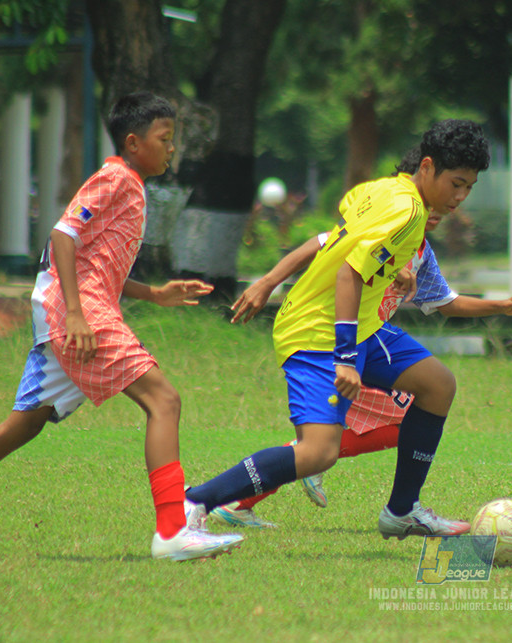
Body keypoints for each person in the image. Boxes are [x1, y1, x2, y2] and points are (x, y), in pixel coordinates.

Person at [0, 92, 244, 561]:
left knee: (20, 428)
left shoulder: (130, 184)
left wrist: (153, 293)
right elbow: (62, 236)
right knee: (164, 400)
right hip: (79, 315)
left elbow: (96, 260)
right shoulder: (116, 178)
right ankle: (172, 532)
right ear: (133, 142)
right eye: (164, 138)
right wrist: (74, 314)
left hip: (75, 310)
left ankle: (174, 531)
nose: (171, 148)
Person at [183, 119, 492, 540]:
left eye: (469, 188)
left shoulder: (380, 189)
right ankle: (197, 500)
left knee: (438, 385)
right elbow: (349, 273)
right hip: (319, 332)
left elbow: (337, 240)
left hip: (362, 327)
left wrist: (394, 270)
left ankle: (402, 511)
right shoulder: (407, 211)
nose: (460, 197)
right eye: (456, 183)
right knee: (318, 453)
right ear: (427, 166)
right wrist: (347, 358)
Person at [210, 199, 512, 527]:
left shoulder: (422, 253)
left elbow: (447, 302)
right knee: (356, 435)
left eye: (458, 196)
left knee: (421, 405)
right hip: (332, 339)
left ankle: (392, 504)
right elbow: (322, 243)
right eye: (442, 197)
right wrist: (269, 282)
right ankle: (223, 497)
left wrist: (503, 306)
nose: (443, 210)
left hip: (371, 338)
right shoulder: (383, 228)